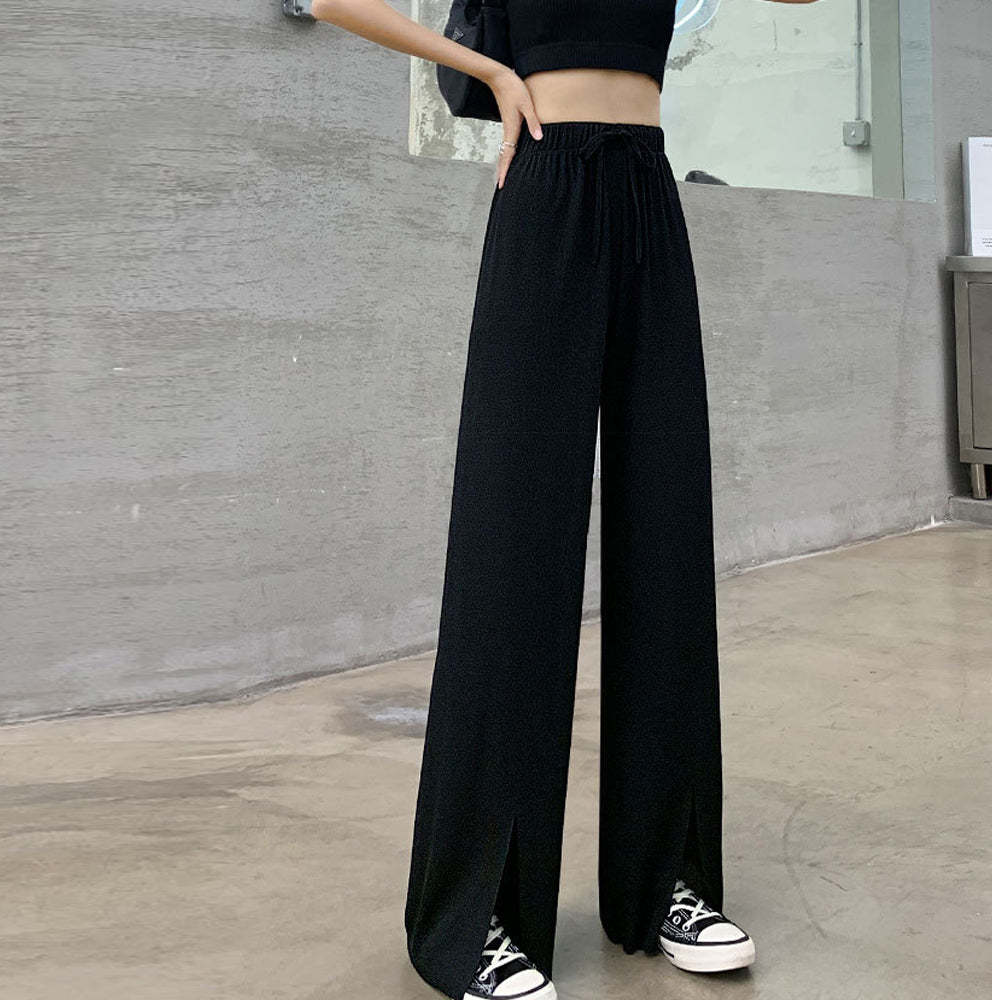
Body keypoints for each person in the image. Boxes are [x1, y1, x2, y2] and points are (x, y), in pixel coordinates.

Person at [311, 1, 820, 998]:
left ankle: (667, 880)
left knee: (667, 535)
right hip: (545, 187)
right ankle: (481, 916)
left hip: (648, 189)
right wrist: (490, 73)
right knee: (513, 545)